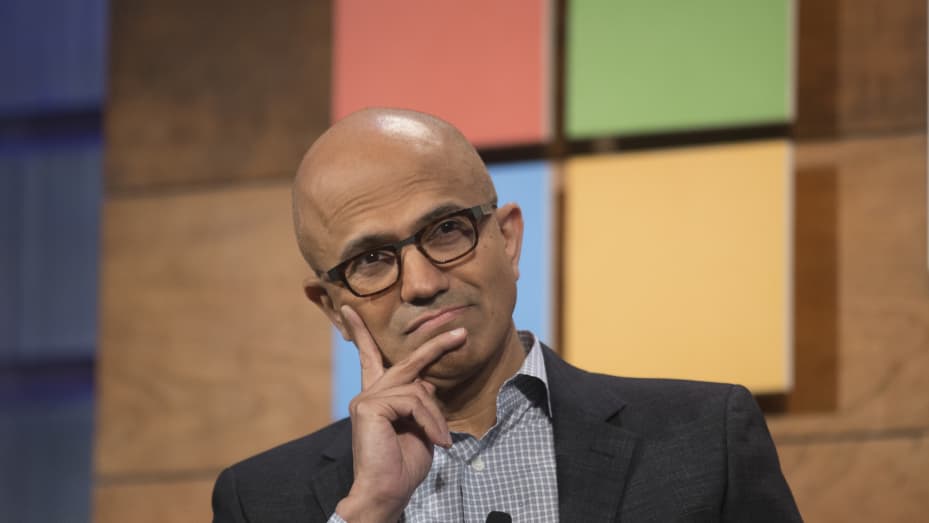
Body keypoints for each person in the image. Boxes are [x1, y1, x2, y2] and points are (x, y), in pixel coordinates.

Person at [211, 108, 801, 522]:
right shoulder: (260, 501)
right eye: (370, 260)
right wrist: (368, 511)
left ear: (509, 240)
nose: (421, 283)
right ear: (334, 310)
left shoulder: (703, 439)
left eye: (446, 230)